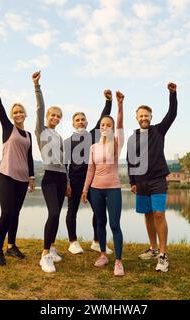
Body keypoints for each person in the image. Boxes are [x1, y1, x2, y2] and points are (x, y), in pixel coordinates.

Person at [126, 82, 178, 273]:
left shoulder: (158, 130)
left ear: (151, 117)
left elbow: (172, 114)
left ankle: (163, 255)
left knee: (159, 214)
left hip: (158, 180)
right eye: (141, 116)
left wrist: (172, 94)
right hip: (141, 182)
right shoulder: (133, 138)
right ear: (137, 118)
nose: (144, 118)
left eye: (146, 115)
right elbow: (130, 160)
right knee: (148, 215)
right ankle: (153, 249)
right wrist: (132, 181)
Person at [0, 72, 35, 266]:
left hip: (23, 179)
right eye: (14, 112)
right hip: (6, 176)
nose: (17, 114)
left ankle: (11, 246)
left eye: (20, 111)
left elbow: (30, 157)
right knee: (6, 212)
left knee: (15, 213)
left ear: (25, 114)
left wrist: (32, 177)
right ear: (11, 116)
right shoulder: (8, 128)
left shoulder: (29, 135)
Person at [64, 90, 114, 255]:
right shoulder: (67, 142)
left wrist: (108, 101)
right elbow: (64, 165)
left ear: (86, 122)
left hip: (93, 181)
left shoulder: (93, 135)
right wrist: (67, 184)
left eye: (82, 119)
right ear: (73, 124)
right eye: (77, 120)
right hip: (74, 181)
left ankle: (97, 241)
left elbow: (103, 117)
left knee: (99, 211)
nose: (80, 122)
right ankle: (73, 242)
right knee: (72, 212)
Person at [82, 91, 125, 277]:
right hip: (96, 189)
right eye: (103, 124)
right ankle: (102, 255)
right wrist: (85, 190)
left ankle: (118, 261)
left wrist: (120, 105)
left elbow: (121, 125)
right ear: (99, 128)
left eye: (109, 125)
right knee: (100, 222)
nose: (106, 126)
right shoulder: (93, 147)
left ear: (113, 128)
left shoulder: (116, 143)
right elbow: (90, 170)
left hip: (113, 188)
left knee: (114, 224)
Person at [33, 71, 69, 273]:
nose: (55, 117)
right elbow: (39, 108)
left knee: (57, 215)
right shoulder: (41, 131)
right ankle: (45, 254)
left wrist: (69, 183)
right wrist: (37, 87)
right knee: (53, 213)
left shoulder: (58, 136)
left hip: (62, 178)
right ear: (47, 117)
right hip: (49, 178)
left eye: (58, 116)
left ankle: (52, 247)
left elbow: (64, 162)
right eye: (52, 115)